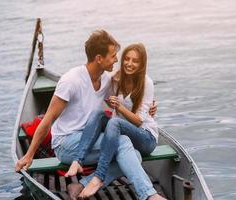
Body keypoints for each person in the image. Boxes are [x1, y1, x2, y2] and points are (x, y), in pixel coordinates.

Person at [14, 30, 165, 200]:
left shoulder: (107, 80)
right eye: (113, 56)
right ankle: (149, 195)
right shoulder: (71, 81)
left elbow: (128, 94)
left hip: (89, 138)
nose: (117, 60)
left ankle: (82, 183)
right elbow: (48, 120)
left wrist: (152, 106)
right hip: (66, 143)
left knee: (134, 155)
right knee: (123, 142)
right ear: (99, 58)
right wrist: (29, 154)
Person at [65, 43, 160, 199]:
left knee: (114, 122)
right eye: (126, 59)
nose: (129, 64)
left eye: (135, 61)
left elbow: (138, 121)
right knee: (98, 115)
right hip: (124, 137)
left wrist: (120, 107)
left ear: (142, 63)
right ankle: (78, 162)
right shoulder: (115, 79)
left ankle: (97, 178)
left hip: (145, 137)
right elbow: (93, 93)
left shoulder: (146, 82)